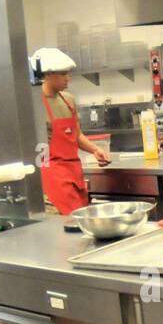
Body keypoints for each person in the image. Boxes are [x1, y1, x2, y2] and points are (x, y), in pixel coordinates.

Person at [31, 47, 110, 214]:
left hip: (74, 172)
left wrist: (95, 150)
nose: (68, 78)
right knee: (66, 226)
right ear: (47, 74)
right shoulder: (35, 104)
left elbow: (77, 134)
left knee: (80, 221)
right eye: (63, 74)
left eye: (69, 73)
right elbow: (35, 150)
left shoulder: (68, 99)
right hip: (53, 175)